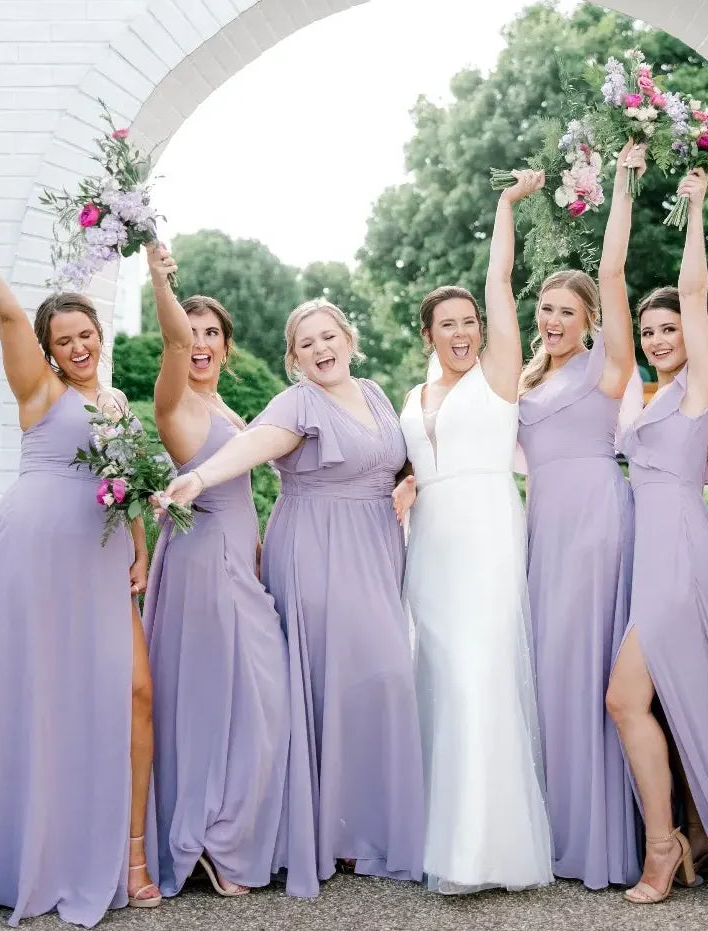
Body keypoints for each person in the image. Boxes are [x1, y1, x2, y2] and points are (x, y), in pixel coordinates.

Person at [164, 298, 424, 898]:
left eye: (328, 336)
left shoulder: (377, 394)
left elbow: (397, 459)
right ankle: (325, 834)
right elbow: (252, 447)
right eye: (306, 344)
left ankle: (359, 831)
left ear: (348, 339)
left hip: (376, 547)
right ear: (294, 358)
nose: (320, 349)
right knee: (353, 679)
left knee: (370, 681)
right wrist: (200, 477)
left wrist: (412, 483)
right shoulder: (297, 402)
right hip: (317, 548)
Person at [0, 195, 159, 925]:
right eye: (63, 338)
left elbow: (131, 488)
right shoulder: (38, 390)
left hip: (99, 563)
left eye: (85, 334)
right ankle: (15, 853)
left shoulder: (120, 403)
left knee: (135, 693)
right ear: (47, 348)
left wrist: (139, 551)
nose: (77, 346)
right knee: (31, 695)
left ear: (101, 334)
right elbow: (9, 313)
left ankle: (126, 850)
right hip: (33, 554)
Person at [395, 170, 553, 894]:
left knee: (478, 676)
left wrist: (504, 206)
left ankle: (486, 852)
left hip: (488, 532)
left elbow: (500, 279)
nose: (462, 332)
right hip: (428, 542)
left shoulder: (497, 377)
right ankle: (437, 833)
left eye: (469, 322)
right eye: (447, 324)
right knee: (435, 673)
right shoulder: (412, 393)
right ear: (428, 334)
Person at [607, 169, 708, 903]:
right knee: (670, 702)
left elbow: (693, 295)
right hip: (649, 555)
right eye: (651, 330)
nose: (661, 338)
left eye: (668, 329)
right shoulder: (647, 396)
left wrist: (694, 207)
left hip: (683, 557)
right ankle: (687, 839)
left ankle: (664, 851)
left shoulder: (700, 383)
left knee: (625, 698)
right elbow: (610, 279)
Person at [515, 143, 644, 890]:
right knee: (546, 669)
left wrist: (621, 183)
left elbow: (614, 272)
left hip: (597, 520)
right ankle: (552, 824)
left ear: (589, 318)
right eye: (546, 310)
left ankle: (598, 833)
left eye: (566, 311)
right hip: (542, 528)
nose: (553, 318)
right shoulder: (528, 375)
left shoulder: (607, 368)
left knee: (585, 662)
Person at [142, 245, 291, 897]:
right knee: (218, 702)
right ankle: (204, 839)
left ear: (228, 347)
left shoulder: (230, 410)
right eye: (190, 331)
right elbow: (173, 345)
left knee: (251, 702)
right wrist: (159, 277)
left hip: (238, 564)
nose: (198, 342)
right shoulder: (175, 404)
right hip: (204, 564)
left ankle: (224, 833)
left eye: (211, 333)